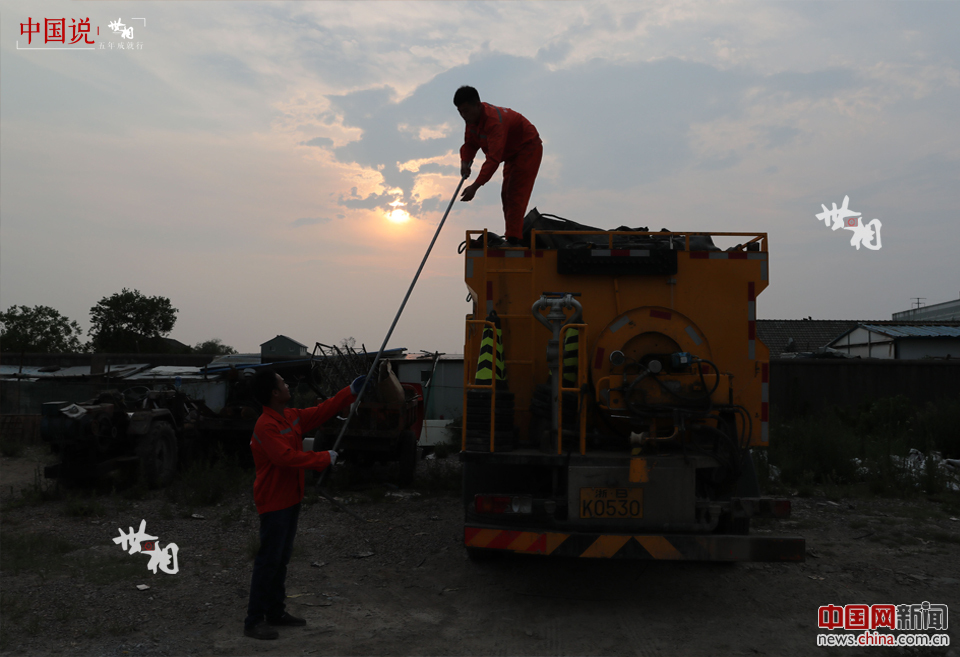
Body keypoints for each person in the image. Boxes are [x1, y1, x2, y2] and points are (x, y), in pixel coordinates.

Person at [243, 368, 366, 640]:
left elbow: (322, 411)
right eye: (283, 382)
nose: (288, 385)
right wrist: (323, 458)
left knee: (281, 560)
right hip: (274, 502)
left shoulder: (289, 416)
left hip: (290, 499)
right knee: (268, 561)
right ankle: (253, 621)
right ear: (274, 393)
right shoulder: (266, 425)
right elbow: (285, 458)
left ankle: (275, 612)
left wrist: (350, 392)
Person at [455, 85, 542, 246]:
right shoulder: (471, 121)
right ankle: (512, 236)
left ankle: (513, 240)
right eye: (460, 112)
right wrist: (464, 162)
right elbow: (470, 144)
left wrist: (475, 186)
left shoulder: (494, 122)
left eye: (465, 111)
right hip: (511, 154)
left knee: (514, 192)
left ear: (477, 105)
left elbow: (493, 159)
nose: (463, 116)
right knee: (506, 194)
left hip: (527, 147)